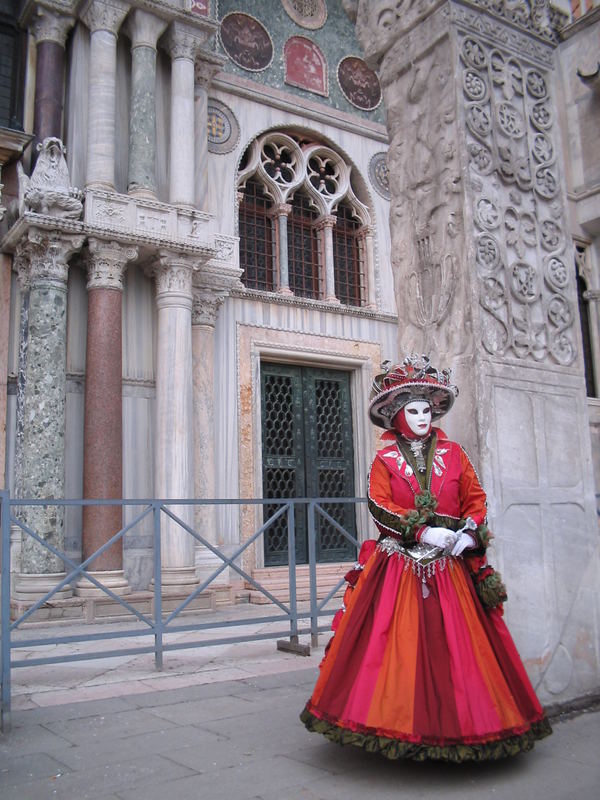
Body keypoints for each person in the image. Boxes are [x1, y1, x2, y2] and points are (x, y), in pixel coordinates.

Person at [300, 355, 552, 762]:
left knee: (458, 646)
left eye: (426, 410)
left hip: (451, 567)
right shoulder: (383, 460)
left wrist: (469, 530)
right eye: (412, 410)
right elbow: (377, 504)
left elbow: (475, 497)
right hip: (398, 565)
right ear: (396, 416)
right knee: (394, 647)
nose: (421, 416)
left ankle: (468, 724)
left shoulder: (455, 454)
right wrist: (419, 530)